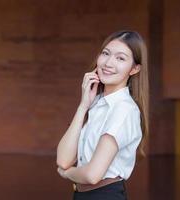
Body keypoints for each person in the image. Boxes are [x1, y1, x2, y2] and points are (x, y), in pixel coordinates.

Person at [56, 30, 149, 200]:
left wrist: (68, 173)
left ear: (135, 69)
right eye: (106, 53)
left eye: (120, 58)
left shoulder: (123, 109)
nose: (108, 63)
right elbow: (62, 159)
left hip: (105, 195)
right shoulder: (96, 103)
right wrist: (83, 106)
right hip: (81, 194)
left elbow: (93, 175)